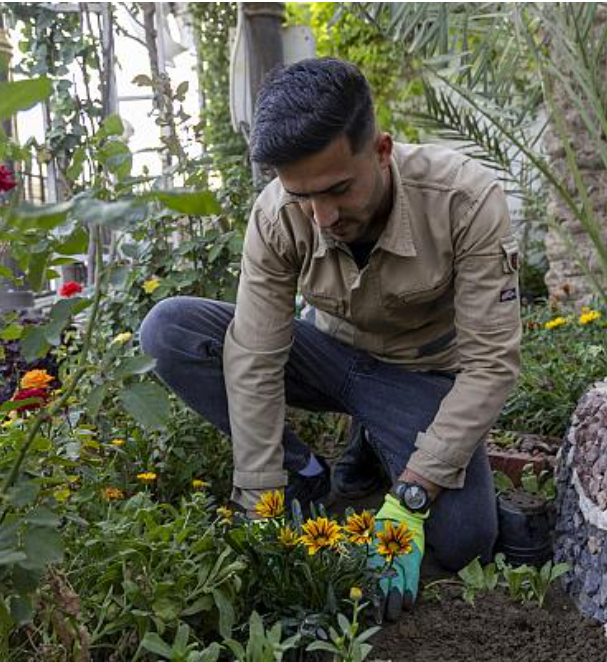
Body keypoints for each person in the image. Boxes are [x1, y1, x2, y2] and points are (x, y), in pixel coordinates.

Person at [140, 57, 521, 621]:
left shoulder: (463, 200)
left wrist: (414, 493)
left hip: (418, 378)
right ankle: (308, 476)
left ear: (382, 151)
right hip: (330, 360)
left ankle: (377, 442)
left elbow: (491, 365)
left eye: (339, 190)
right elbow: (254, 357)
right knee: (171, 330)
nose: (321, 217)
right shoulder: (276, 215)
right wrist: (261, 502)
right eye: (302, 196)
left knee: (466, 542)